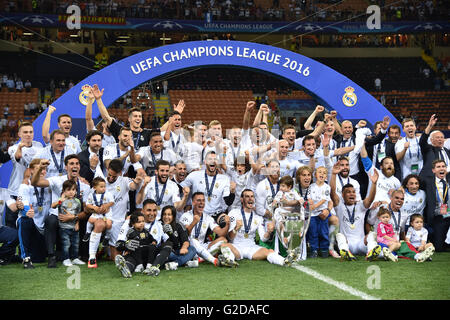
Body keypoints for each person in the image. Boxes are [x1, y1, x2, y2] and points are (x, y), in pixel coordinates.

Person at [31, 155, 91, 268]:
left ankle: (80, 255)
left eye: (77, 164)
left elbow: (86, 210)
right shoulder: (57, 180)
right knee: (50, 220)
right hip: (57, 215)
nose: (74, 166)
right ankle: (51, 256)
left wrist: (74, 217)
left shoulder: (85, 186)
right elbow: (35, 183)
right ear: (66, 167)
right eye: (71, 164)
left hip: (74, 217)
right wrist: (39, 168)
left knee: (87, 220)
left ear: (79, 167)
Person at [220, 189, 295, 266]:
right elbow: (229, 237)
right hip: (236, 247)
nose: (250, 199)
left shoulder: (258, 218)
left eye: (252, 196)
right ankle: (229, 260)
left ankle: (284, 261)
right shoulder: (234, 213)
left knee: (268, 251)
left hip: (251, 248)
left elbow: (263, 238)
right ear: (242, 199)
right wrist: (235, 228)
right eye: (247, 196)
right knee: (224, 245)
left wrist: (269, 232)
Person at [330, 160, 381, 261]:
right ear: (343, 195)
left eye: (353, 192)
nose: (352, 194)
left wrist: (374, 184)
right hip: (347, 243)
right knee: (339, 236)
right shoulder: (339, 205)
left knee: (371, 234)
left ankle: (371, 252)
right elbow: (332, 193)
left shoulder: (360, 206)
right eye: (348, 192)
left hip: (360, 243)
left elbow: (370, 199)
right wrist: (333, 175)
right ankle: (345, 252)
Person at [14, 159, 52, 268]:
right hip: (32, 224)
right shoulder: (25, 186)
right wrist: (27, 210)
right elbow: (23, 204)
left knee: (39, 259)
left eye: (43, 169)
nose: (41, 171)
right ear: (31, 171)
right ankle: (25, 258)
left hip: (44, 228)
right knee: (25, 219)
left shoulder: (50, 184)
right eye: (37, 169)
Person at [181, 151, 236, 221]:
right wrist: (186, 204)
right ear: (205, 162)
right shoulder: (194, 175)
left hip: (216, 214)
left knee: (226, 221)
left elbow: (228, 202)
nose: (213, 161)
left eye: (215, 159)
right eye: (210, 159)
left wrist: (232, 192)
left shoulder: (224, 179)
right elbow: (179, 188)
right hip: (198, 212)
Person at [180, 192, 230, 267]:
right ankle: (214, 260)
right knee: (193, 240)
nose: (201, 203)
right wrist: (194, 223)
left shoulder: (208, 217)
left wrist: (227, 224)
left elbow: (221, 233)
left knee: (223, 240)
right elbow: (185, 234)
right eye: (199, 200)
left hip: (202, 246)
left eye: (203, 200)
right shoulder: (186, 216)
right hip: (190, 246)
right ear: (193, 203)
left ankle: (201, 258)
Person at [114, 212, 158, 278]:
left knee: (152, 247)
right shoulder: (131, 232)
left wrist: (154, 242)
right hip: (135, 254)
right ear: (133, 224)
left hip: (145, 253)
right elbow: (128, 243)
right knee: (134, 249)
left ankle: (149, 266)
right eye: (139, 222)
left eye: (143, 221)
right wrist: (127, 249)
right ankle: (127, 269)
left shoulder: (146, 231)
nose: (141, 223)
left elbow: (152, 239)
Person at [52, 180, 84, 267]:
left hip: (74, 227)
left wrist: (77, 223)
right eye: (68, 190)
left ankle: (75, 258)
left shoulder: (77, 201)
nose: (71, 192)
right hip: (64, 227)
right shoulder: (61, 200)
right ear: (64, 191)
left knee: (75, 243)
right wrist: (60, 200)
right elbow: (53, 206)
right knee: (66, 244)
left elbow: (78, 213)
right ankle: (66, 259)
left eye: (73, 190)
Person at [85, 177, 115, 268]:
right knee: (91, 220)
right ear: (94, 187)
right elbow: (87, 205)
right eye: (101, 187)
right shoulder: (91, 195)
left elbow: (112, 202)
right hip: (96, 214)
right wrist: (94, 208)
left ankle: (107, 238)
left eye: (104, 186)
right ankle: (88, 233)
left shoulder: (108, 194)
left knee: (109, 224)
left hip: (106, 214)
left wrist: (105, 206)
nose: (103, 188)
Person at [422, 159, 450, 252]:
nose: (441, 169)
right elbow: (413, 182)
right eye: (438, 167)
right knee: (439, 247)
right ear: (433, 170)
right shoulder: (428, 182)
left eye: (443, 166)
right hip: (437, 217)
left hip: (449, 213)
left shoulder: (449, 181)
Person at [307, 166, 333, 258]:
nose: (322, 174)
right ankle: (314, 250)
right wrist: (310, 203)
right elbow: (309, 197)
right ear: (315, 175)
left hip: (322, 213)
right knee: (313, 232)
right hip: (313, 214)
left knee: (323, 232)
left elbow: (324, 199)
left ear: (326, 177)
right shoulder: (311, 186)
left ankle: (324, 249)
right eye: (320, 172)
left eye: (324, 173)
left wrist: (315, 206)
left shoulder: (327, 187)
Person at [161, 205, 197, 270]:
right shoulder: (159, 224)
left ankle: (175, 263)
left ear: (173, 216)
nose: (166, 217)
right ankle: (185, 262)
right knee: (169, 255)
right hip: (168, 252)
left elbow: (186, 241)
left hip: (179, 251)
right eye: (164, 214)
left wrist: (184, 248)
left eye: (169, 215)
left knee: (192, 249)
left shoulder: (179, 225)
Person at [419, 114, 450, 179]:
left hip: (446, 179)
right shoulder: (428, 149)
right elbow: (422, 141)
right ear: (431, 140)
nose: (440, 139)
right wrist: (430, 126)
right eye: (437, 137)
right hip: (431, 180)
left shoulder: (447, 151)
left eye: (442, 137)